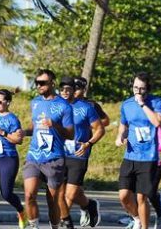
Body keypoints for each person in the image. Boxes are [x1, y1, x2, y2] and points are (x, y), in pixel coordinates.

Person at [23, 69, 74, 229]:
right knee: (29, 195)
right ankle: (33, 226)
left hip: (54, 158)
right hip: (34, 156)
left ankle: (55, 226)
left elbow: (70, 134)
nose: (39, 85)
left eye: (43, 83)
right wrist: (24, 132)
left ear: (52, 83)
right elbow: (34, 126)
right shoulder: (35, 102)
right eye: (37, 83)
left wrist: (55, 124)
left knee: (52, 201)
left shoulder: (64, 106)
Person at [116, 72, 161, 229]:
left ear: (148, 89)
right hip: (130, 155)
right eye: (135, 87)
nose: (138, 91)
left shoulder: (156, 102)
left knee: (141, 197)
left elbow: (157, 122)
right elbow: (124, 125)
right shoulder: (126, 104)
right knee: (123, 195)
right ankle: (136, 218)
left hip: (148, 156)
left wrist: (143, 104)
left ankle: (144, 226)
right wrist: (120, 137)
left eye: (142, 88)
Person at [58, 77, 103, 228]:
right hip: (59, 154)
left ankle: (63, 222)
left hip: (78, 155)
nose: (66, 92)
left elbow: (100, 129)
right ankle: (89, 204)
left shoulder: (86, 107)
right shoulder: (56, 106)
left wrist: (88, 143)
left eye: (71, 89)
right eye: (63, 89)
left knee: (70, 194)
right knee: (60, 193)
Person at [0, 89, 26, 229]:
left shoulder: (13, 119)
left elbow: (18, 140)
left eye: (0, 102)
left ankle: (21, 210)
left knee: (6, 193)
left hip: (8, 158)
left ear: (8, 102)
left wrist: (3, 132)